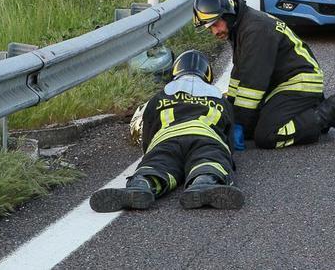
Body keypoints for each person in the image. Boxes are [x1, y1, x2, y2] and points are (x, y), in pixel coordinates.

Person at [193, 0, 335, 150]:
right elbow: (239, 73)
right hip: (281, 83)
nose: (214, 32)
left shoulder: (255, 30)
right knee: (250, 127)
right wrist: (232, 110)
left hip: (300, 81)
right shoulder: (240, 26)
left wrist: (239, 124)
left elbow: (253, 85)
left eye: (215, 24)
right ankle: (308, 112)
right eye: (210, 29)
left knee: (267, 136)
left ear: (227, 14)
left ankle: (328, 112)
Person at [89, 50, 244, 212]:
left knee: (157, 165)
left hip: (167, 140)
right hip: (206, 140)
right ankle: (204, 182)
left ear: (175, 71)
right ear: (208, 74)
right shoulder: (219, 98)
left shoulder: (159, 96)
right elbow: (228, 137)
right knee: (210, 162)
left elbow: (148, 132)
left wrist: (152, 152)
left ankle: (141, 184)